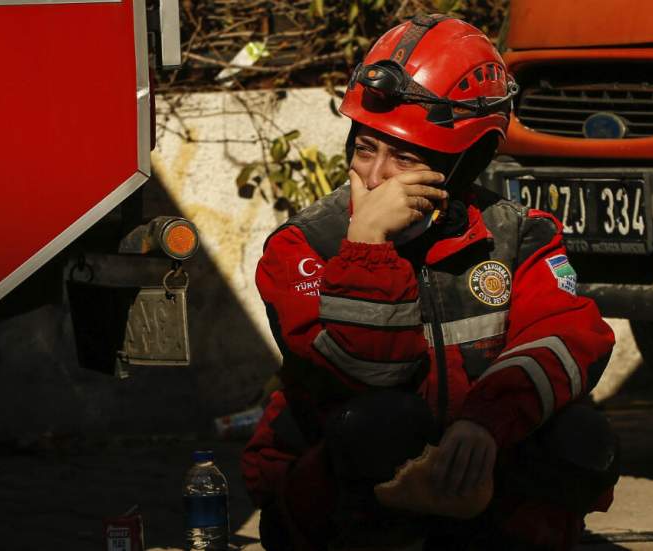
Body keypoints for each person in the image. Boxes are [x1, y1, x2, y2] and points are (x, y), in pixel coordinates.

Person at [242, 14, 618, 551]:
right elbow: (372, 373)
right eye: (365, 148)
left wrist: (487, 423)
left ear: (465, 165)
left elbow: (568, 339)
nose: (374, 178)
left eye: (405, 158)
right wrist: (368, 246)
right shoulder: (302, 248)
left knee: (583, 437)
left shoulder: (518, 235)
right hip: (340, 500)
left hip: (475, 478)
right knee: (381, 421)